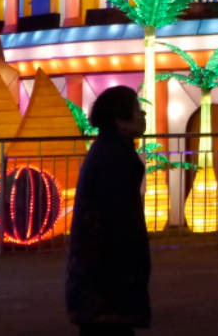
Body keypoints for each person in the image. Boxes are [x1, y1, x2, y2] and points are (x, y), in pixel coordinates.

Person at [66, 85, 150, 336]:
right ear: (120, 120)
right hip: (107, 282)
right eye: (136, 109)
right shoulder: (114, 158)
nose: (143, 114)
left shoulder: (109, 151)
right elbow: (116, 222)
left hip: (99, 283)